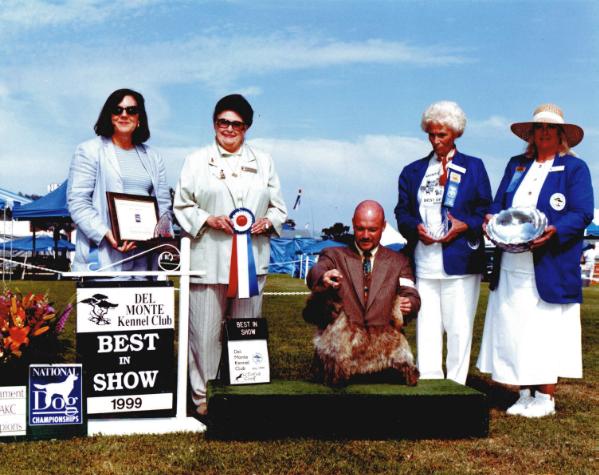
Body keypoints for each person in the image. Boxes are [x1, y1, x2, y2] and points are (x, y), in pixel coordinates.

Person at [174, 94, 287, 416]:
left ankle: (242, 397)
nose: (229, 128)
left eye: (236, 124)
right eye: (223, 122)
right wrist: (207, 219)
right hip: (207, 260)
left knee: (246, 332)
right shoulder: (196, 160)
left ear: (247, 127)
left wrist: (268, 221)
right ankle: (203, 400)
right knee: (204, 336)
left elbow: (279, 207)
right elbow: (182, 205)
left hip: (251, 262)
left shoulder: (264, 161)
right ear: (214, 124)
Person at [477, 104, 594, 417]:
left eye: (550, 128)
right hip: (513, 262)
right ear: (530, 133)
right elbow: (500, 201)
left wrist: (555, 231)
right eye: (538, 127)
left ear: (560, 135)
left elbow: (582, 212)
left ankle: (545, 397)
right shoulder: (517, 165)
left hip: (550, 262)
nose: (543, 132)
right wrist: (491, 216)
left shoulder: (574, 168)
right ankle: (525, 393)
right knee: (515, 327)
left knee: (543, 328)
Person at [394, 101, 492, 385]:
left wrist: (464, 226)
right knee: (427, 327)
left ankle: (456, 384)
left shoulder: (474, 167)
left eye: (442, 135)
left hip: (460, 261)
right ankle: (430, 383)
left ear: (456, 134)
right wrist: (416, 228)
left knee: (459, 327)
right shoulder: (412, 171)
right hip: (424, 262)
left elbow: (485, 210)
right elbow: (402, 212)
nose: (436, 141)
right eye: (431, 134)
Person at [304, 200, 421, 386]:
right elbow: (316, 271)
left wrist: (410, 303)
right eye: (360, 229)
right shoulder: (333, 255)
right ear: (353, 224)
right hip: (337, 366)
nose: (365, 235)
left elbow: (411, 293)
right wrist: (323, 275)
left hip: (385, 366)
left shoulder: (399, 261)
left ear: (383, 227)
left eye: (372, 230)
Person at [67, 88, 171, 273]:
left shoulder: (154, 157)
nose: (124, 115)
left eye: (131, 110)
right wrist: (107, 233)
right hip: (105, 257)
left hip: (145, 258)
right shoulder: (89, 151)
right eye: (118, 110)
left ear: (140, 118)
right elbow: (77, 202)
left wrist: (160, 235)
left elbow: (163, 205)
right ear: (109, 115)